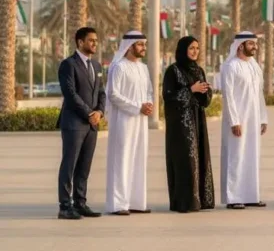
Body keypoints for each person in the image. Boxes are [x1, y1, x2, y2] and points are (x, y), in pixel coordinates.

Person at [56, 26, 106, 220]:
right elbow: (70, 94)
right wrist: (89, 113)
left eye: (96, 40)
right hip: (74, 122)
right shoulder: (68, 64)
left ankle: (80, 202)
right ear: (80, 42)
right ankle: (65, 206)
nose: (95, 43)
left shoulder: (97, 66)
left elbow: (101, 92)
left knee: (84, 165)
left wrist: (100, 112)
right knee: (69, 164)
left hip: (92, 124)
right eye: (91, 40)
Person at [163, 35, 215, 213]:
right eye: (191, 48)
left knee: (199, 157)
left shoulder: (199, 70)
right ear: (183, 50)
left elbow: (205, 101)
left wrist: (206, 91)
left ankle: (201, 200)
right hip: (180, 125)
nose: (195, 51)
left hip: (198, 120)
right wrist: (191, 90)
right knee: (185, 160)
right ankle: (185, 202)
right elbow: (169, 97)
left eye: (197, 48)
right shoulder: (173, 71)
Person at [104, 31, 154, 215]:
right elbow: (113, 94)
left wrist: (148, 104)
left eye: (144, 45)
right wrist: (137, 107)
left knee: (138, 158)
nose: (143, 48)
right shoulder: (118, 67)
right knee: (122, 160)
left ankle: (136, 202)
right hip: (124, 121)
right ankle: (118, 204)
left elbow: (149, 90)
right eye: (140, 45)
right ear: (130, 46)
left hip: (140, 121)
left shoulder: (143, 68)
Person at [220, 31, 268, 209]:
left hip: (253, 119)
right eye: (251, 44)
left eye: (255, 44)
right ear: (240, 45)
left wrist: (263, 118)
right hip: (238, 120)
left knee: (252, 156)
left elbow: (259, 94)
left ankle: (251, 195)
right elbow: (228, 95)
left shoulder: (254, 66)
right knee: (236, 156)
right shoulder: (230, 66)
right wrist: (234, 121)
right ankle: (233, 198)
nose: (254, 47)